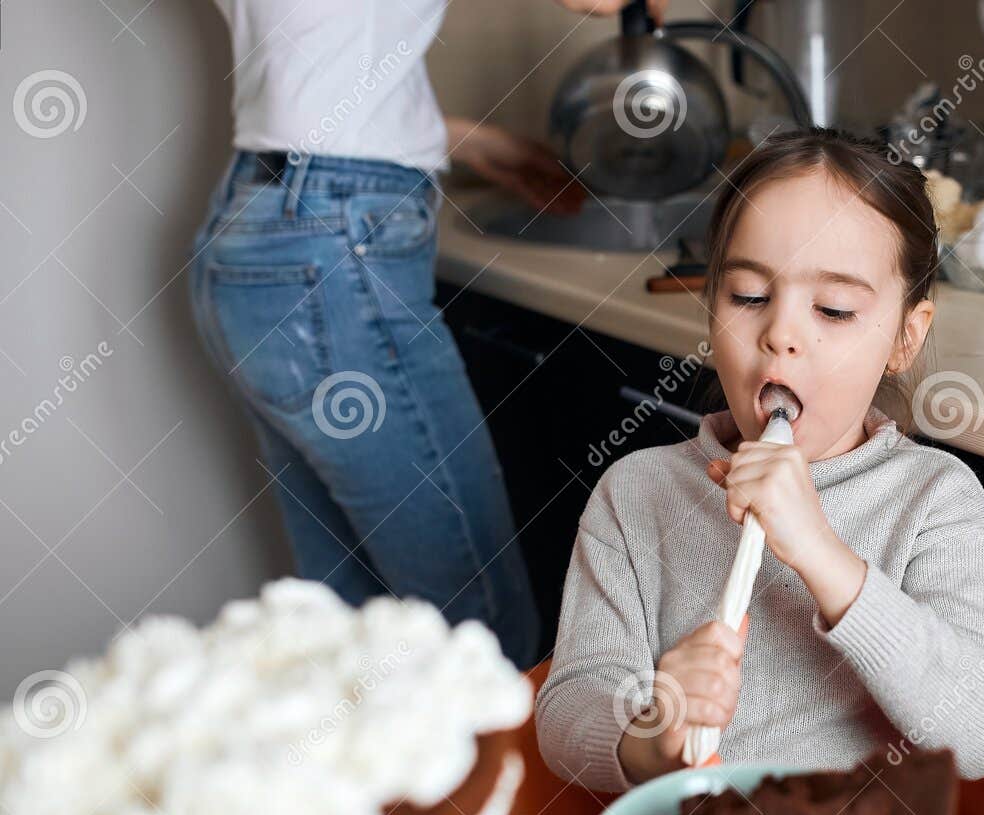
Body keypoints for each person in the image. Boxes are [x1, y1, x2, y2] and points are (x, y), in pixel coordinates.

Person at [535, 128, 984, 790]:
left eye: (834, 308)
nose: (782, 334)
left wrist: (823, 554)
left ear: (905, 338)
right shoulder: (638, 493)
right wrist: (651, 734)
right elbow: (567, 708)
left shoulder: (936, 499)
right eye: (748, 296)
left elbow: (979, 734)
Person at [188, 0, 663, 669]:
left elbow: (313, 60)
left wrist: (460, 139)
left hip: (261, 236)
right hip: (330, 255)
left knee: (351, 632)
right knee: (484, 642)